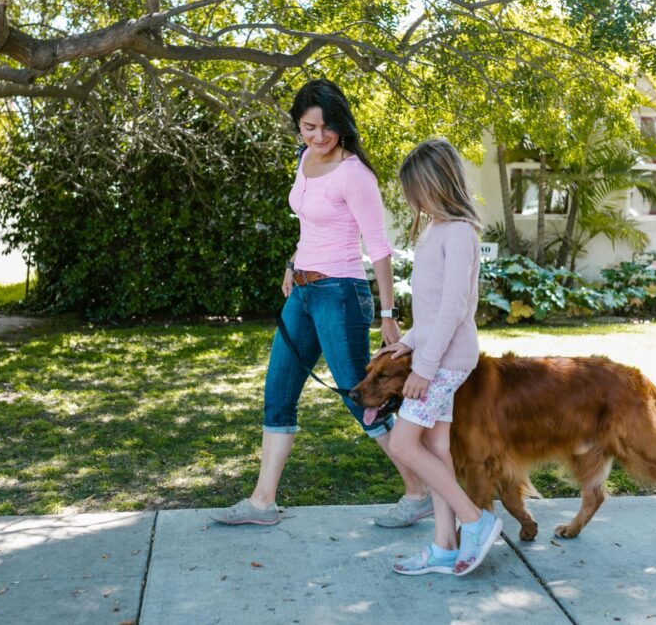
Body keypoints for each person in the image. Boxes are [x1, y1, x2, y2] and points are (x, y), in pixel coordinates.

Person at [210, 79, 430, 527]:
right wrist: (293, 262)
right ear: (298, 126)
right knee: (278, 393)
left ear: (342, 125)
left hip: (341, 293)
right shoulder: (304, 160)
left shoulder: (355, 174)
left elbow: (380, 247)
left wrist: (388, 316)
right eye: (309, 127)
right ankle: (261, 502)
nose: (319, 136)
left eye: (327, 127)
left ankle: (419, 489)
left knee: (360, 396)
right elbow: (310, 225)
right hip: (304, 291)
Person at [377, 138, 503, 576]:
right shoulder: (435, 230)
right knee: (434, 448)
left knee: (402, 442)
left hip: (447, 362)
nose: (414, 202)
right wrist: (407, 342)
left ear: (438, 184)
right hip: (435, 353)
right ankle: (444, 546)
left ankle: (475, 519)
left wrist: (424, 370)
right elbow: (432, 310)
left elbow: (454, 309)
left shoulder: (460, 233)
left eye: (418, 193)